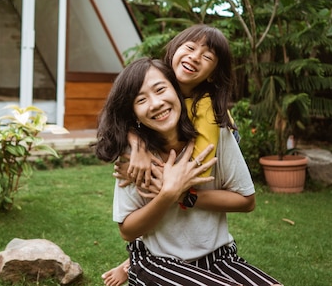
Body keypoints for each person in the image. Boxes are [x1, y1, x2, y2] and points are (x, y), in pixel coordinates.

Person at [94, 58, 281, 286]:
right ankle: (130, 265)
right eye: (141, 100)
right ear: (133, 113)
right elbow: (127, 230)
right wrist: (167, 195)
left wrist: (184, 194)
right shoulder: (136, 159)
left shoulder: (216, 136)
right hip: (157, 262)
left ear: (177, 90)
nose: (155, 103)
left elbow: (246, 201)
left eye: (161, 89)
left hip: (219, 258)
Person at [103, 24, 241, 285]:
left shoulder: (206, 110)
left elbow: (200, 172)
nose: (195, 56)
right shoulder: (158, 84)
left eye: (207, 56)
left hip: (209, 154)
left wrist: (174, 189)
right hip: (162, 241)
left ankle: (135, 261)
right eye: (189, 47)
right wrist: (138, 146)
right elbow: (123, 114)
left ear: (212, 74)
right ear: (173, 52)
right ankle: (137, 260)